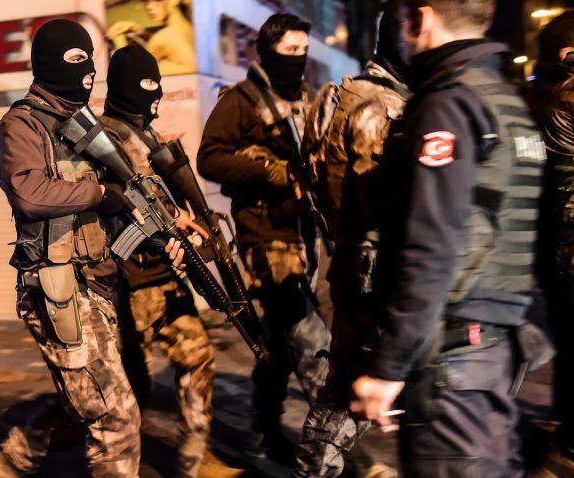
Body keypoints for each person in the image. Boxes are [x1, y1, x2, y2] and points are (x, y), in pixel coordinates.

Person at [0, 19, 185, 477]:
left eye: (90, 61)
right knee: (115, 415)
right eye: (76, 60)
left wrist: (166, 238)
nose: (88, 73)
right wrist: (99, 194)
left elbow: (125, 204)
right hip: (58, 288)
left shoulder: (84, 125)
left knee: (83, 406)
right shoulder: (21, 125)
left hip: (99, 285)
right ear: (49, 64)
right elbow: (29, 191)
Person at [349, 1, 546, 476]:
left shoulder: (448, 104)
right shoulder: (506, 101)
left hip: (453, 362)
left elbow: (431, 246)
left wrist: (388, 368)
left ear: (423, 17)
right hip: (494, 352)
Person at [196, 13, 331, 461]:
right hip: (265, 236)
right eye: (290, 51)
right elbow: (209, 158)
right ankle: (332, 451)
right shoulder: (241, 100)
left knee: (277, 343)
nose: (299, 59)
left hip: (304, 234)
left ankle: (262, 432)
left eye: (303, 51)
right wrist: (270, 171)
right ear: (268, 52)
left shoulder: (306, 99)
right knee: (312, 341)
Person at [293, 2, 409, 476]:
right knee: (350, 394)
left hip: (348, 261)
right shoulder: (382, 108)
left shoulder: (334, 96)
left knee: (344, 389)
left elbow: (310, 176)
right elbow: (384, 201)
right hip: (376, 273)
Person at [100, 44, 216, 477]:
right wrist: (169, 223)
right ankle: (21, 456)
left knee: (198, 357)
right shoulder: (105, 139)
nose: (156, 97)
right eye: (148, 88)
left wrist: (184, 221)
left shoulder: (145, 135)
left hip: (161, 278)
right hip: (124, 287)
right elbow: (112, 209)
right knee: (127, 392)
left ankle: (191, 454)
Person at [535, 11, 574, 473]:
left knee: (566, 337)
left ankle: (565, 420)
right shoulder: (567, 94)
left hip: (553, 240)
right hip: (569, 237)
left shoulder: (539, 94)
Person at [107, 0, 196, 75]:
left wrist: (118, 38)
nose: (149, 7)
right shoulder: (191, 26)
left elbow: (130, 75)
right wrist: (143, 33)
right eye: (145, 1)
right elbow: (171, 45)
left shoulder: (163, 37)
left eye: (157, 0)